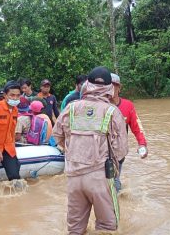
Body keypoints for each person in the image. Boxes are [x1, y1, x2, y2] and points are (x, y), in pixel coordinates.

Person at [53, 66, 128, 234]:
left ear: (87, 84)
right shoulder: (112, 112)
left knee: (75, 228)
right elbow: (121, 150)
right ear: (110, 88)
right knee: (107, 227)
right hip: (100, 177)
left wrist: (73, 151)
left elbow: (57, 135)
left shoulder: (71, 108)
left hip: (73, 176)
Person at [110, 73, 148, 192]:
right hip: (101, 151)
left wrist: (142, 144)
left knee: (114, 182)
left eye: (114, 86)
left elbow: (137, 127)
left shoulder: (128, 106)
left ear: (119, 88)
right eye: (108, 85)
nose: (111, 89)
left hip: (119, 151)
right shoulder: (99, 106)